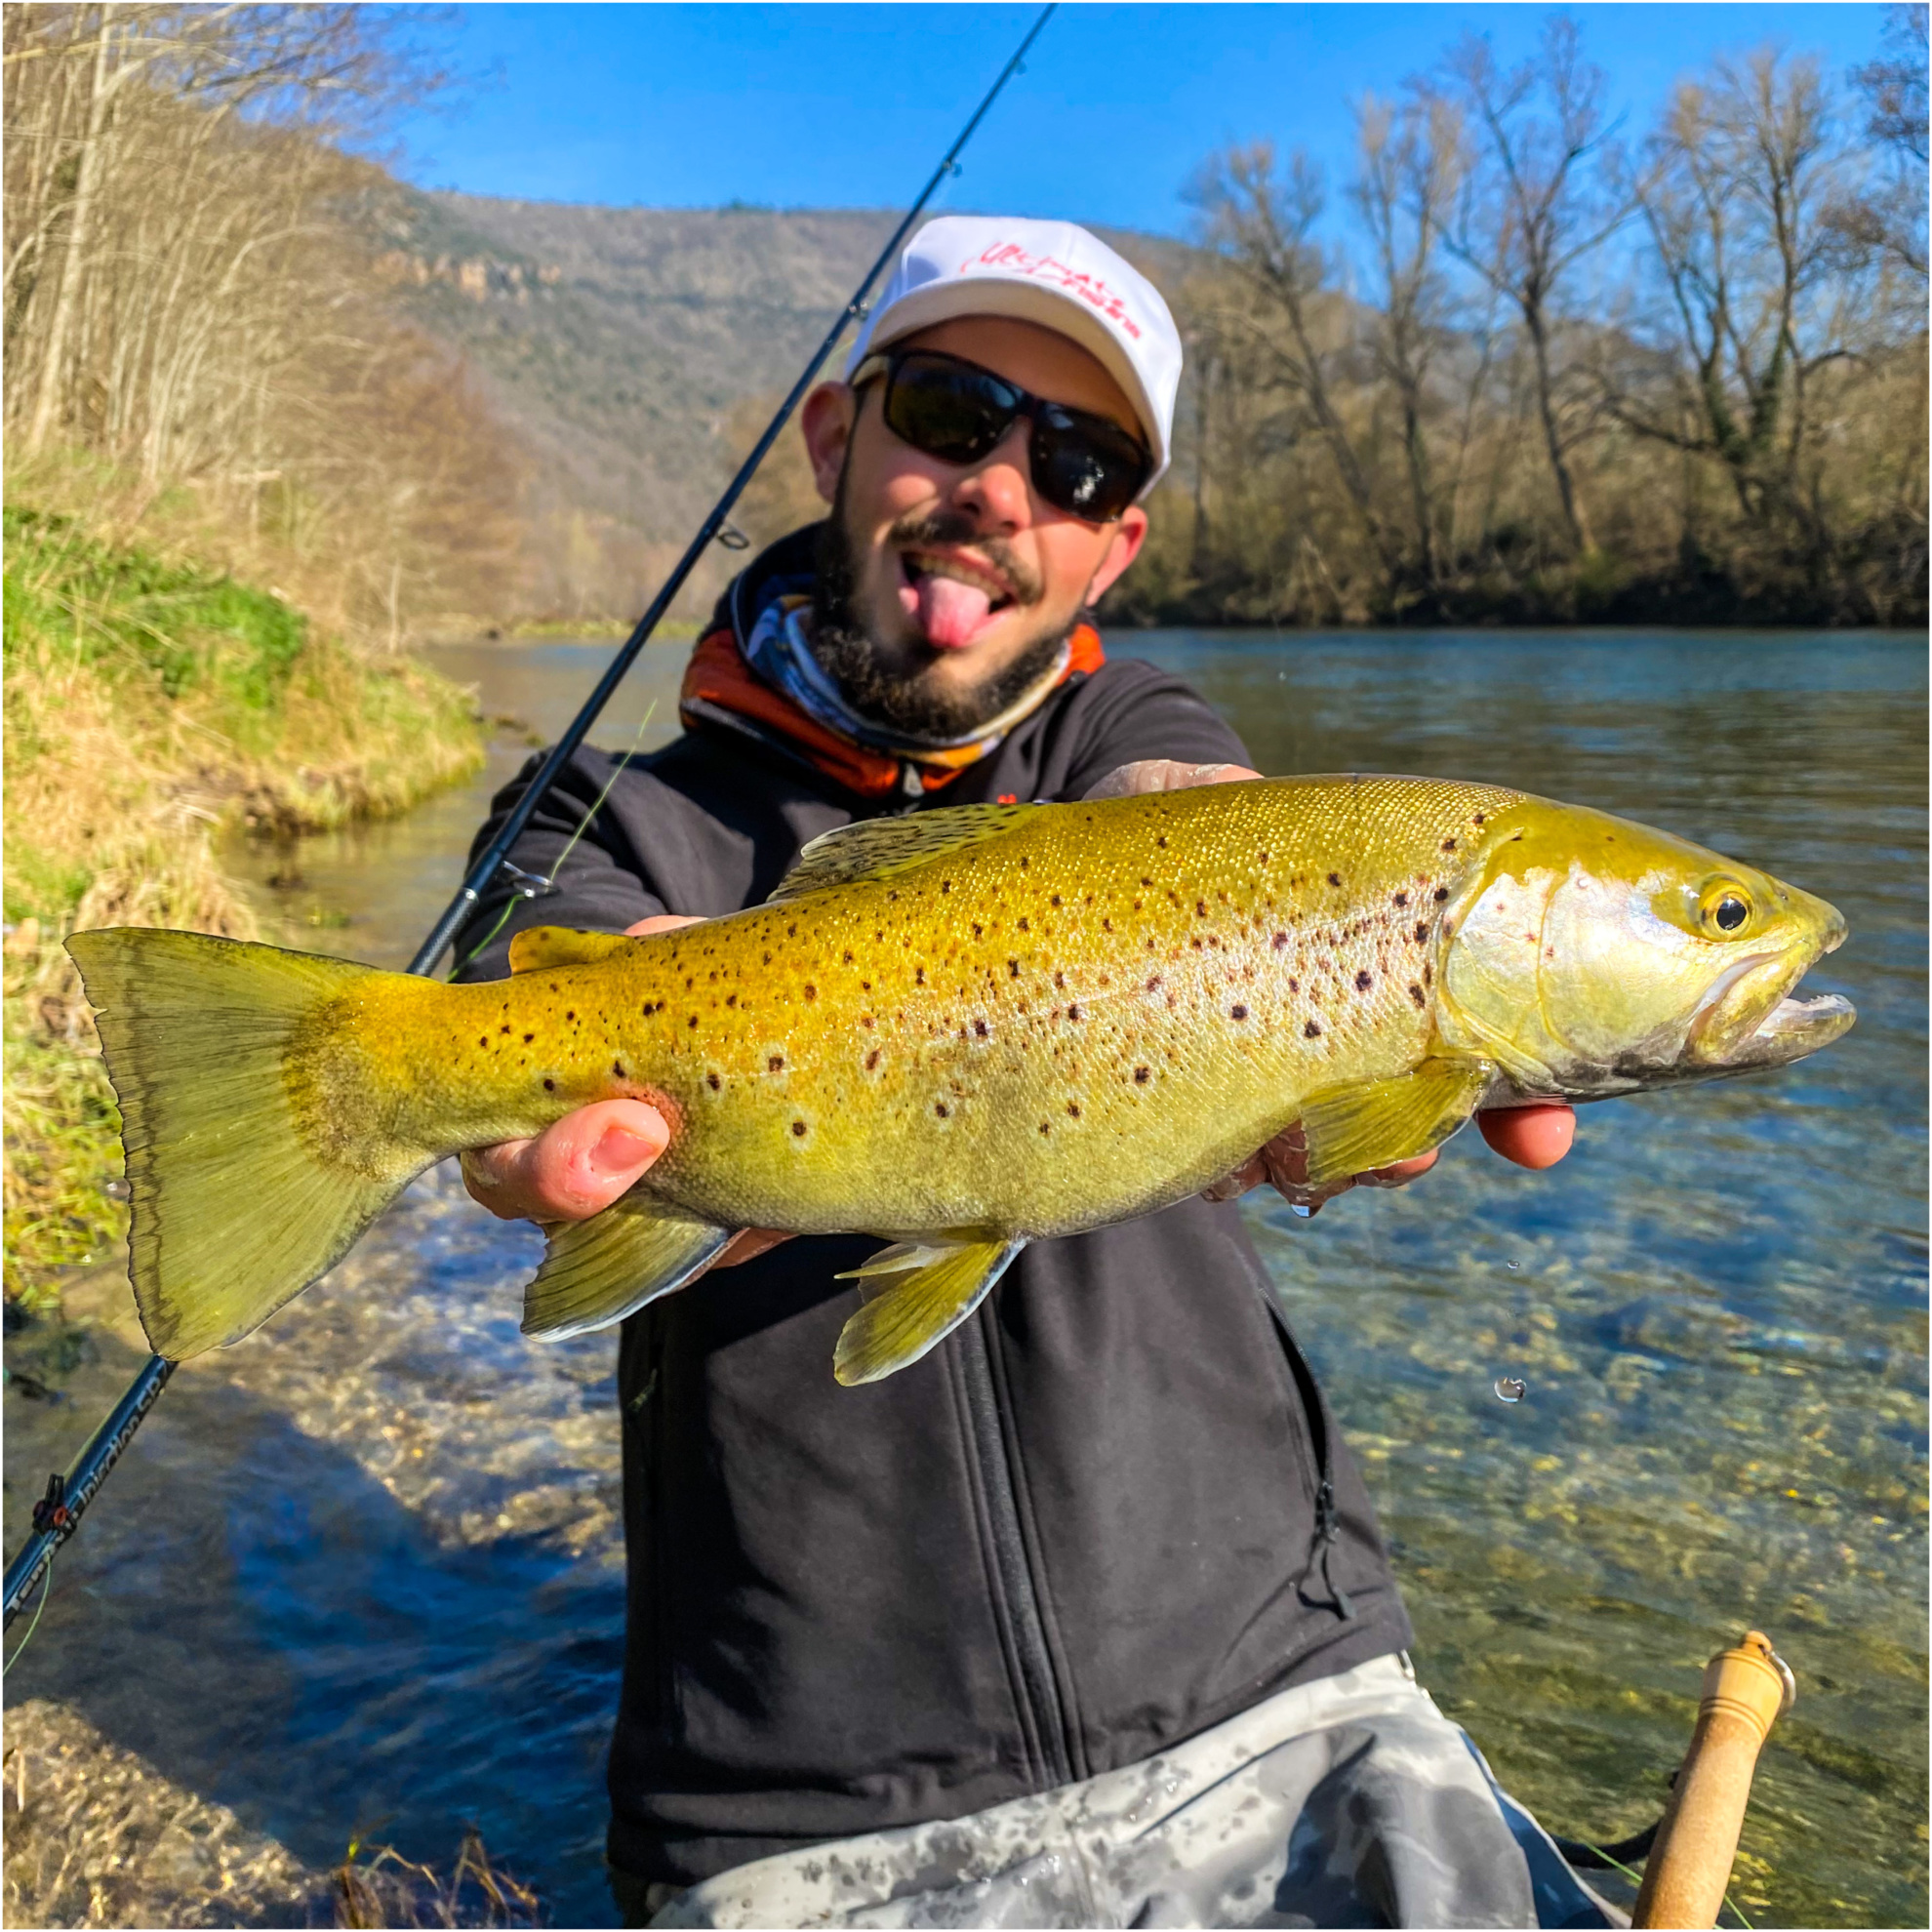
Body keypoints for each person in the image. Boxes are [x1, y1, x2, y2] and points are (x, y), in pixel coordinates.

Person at [452, 217, 1612, 1929]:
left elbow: (1178, 788)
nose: (1001, 487)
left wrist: (1226, 875)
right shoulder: (598, 817)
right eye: (949, 409)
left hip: (1292, 1702)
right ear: (842, 441)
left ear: (1114, 544)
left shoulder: (1125, 734)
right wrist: (502, 1106)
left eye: (1072, 458)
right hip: (792, 1813)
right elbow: (517, 1037)